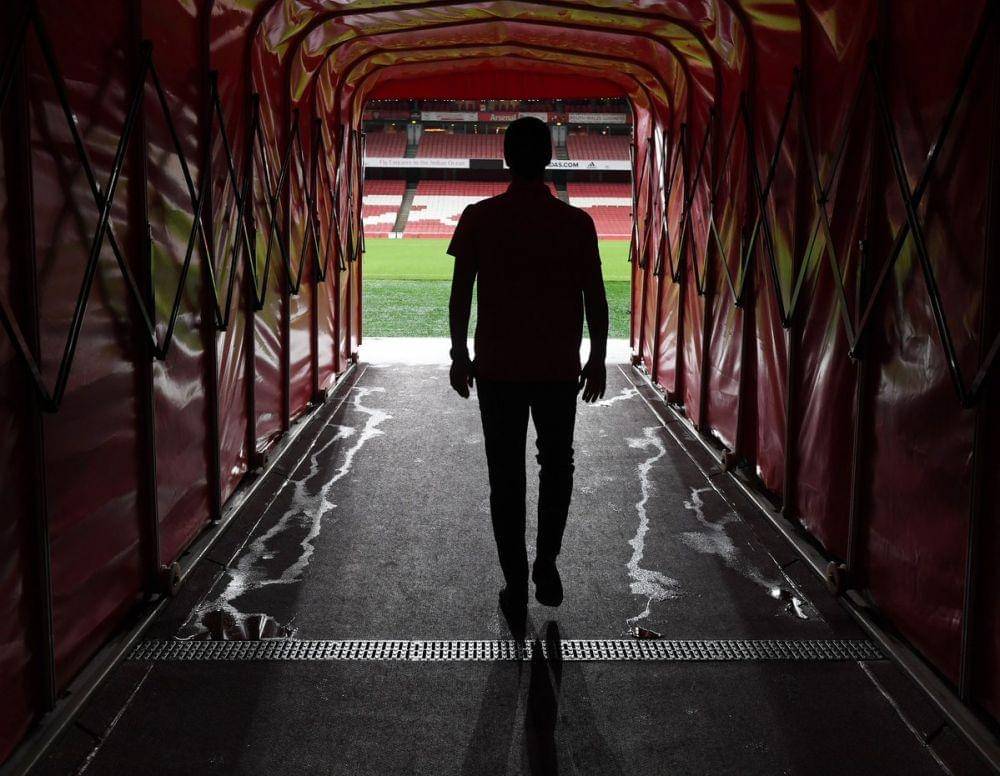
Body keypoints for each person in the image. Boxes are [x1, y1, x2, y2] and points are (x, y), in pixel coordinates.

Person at [447, 116, 609, 629]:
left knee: (506, 477)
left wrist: (457, 353)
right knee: (557, 466)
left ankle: (515, 581)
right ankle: (547, 562)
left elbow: (460, 294)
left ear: (505, 158)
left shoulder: (478, 216)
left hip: (497, 367)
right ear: (550, 156)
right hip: (558, 368)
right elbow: (596, 299)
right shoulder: (577, 223)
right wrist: (598, 357)